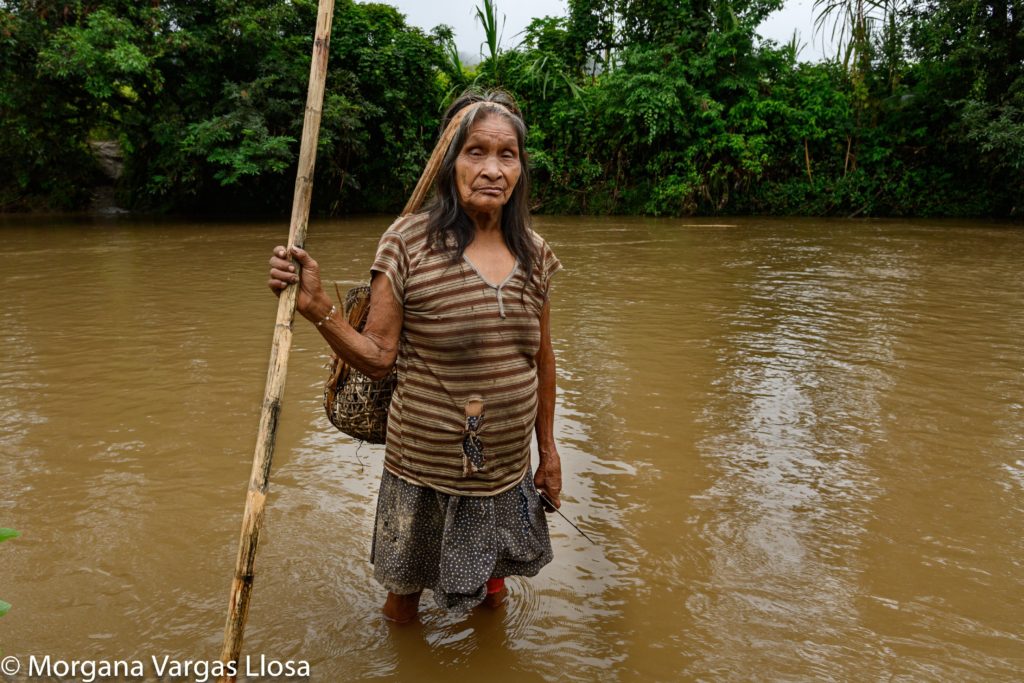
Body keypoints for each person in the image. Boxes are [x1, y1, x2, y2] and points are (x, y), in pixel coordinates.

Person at [267, 90, 563, 623]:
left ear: (521, 167)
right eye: (476, 151)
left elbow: (542, 359)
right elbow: (379, 356)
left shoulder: (536, 253)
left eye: (507, 154)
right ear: (451, 164)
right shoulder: (406, 244)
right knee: (405, 599)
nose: (492, 169)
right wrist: (318, 310)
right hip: (423, 469)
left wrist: (551, 453)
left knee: (492, 593)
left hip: (505, 469)